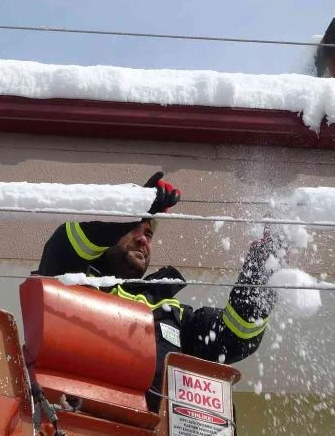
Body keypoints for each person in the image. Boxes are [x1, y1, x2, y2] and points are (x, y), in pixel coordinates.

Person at [35, 172, 278, 411]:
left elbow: (236, 335)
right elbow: (65, 244)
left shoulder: (171, 313)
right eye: (134, 228)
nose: (143, 240)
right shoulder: (76, 282)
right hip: (74, 420)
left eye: (149, 234)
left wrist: (260, 268)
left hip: (149, 426)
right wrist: (132, 210)